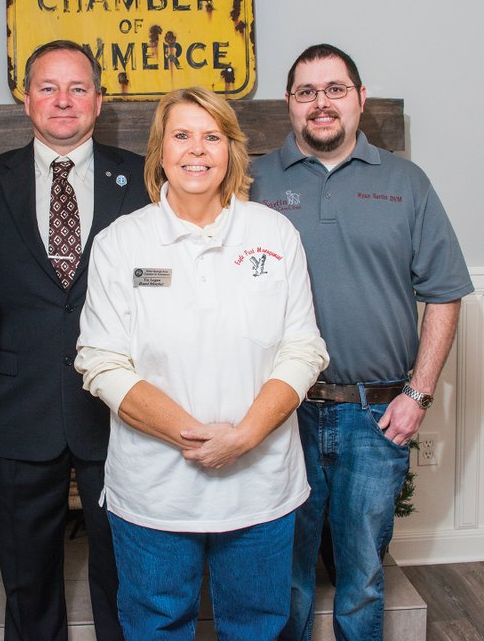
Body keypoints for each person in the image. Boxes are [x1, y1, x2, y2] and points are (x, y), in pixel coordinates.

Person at [75, 86, 329, 641]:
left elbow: (302, 348)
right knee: (156, 627)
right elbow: (101, 361)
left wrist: (243, 438)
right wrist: (197, 437)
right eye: (182, 135)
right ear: (160, 152)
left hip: (260, 485)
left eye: (212, 136)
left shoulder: (274, 235)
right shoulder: (122, 243)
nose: (197, 150)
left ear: (231, 150)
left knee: (258, 627)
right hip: (155, 494)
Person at [250, 43, 473, 641]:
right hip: (279, 414)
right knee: (284, 576)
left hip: (376, 415)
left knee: (362, 579)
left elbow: (445, 293)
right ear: (288, 105)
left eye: (335, 89)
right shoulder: (250, 180)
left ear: (360, 98)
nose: (321, 104)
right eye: (306, 92)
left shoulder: (406, 182)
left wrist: (418, 395)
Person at [0, 40, 148, 641]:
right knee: (28, 581)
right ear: (26, 99)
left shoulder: (141, 177)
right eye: (47, 87)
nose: (63, 101)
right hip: (17, 406)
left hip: (121, 411)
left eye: (77, 88)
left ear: (98, 100)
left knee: (124, 575)